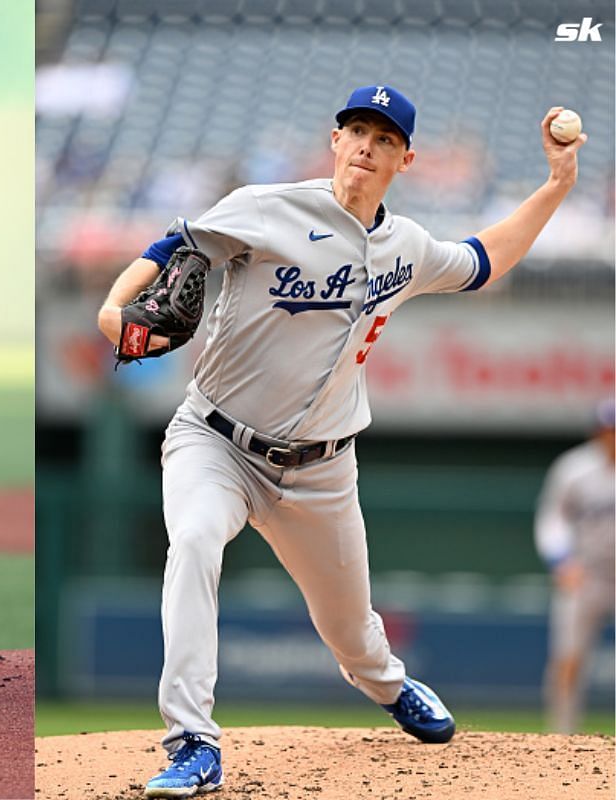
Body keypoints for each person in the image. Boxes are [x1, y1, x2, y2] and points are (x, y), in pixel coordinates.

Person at [96, 85, 586, 796]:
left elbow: (485, 260)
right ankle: (192, 741)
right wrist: (115, 309)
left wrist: (557, 184)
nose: (366, 145)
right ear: (335, 140)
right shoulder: (267, 207)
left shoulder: (406, 247)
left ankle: (387, 686)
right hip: (216, 443)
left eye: (384, 138)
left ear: (405, 159)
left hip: (323, 470)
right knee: (196, 541)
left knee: (352, 632)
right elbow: (171, 246)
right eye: (356, 130)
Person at [535, 400, 615, 734]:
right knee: (568, 659)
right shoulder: (573, 468)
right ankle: (562, 740)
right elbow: (552, 520)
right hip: (586, 574)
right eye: (607, 430)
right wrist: (561, 560)